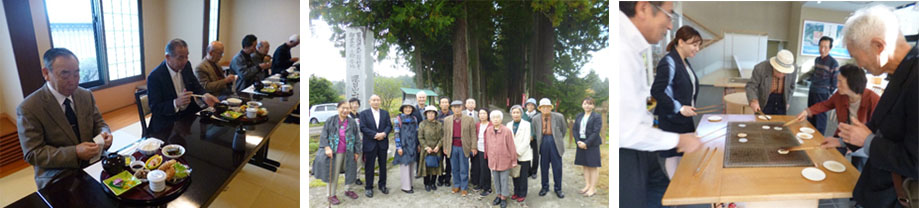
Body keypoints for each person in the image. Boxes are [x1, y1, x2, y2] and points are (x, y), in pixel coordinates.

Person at [618, 2, 703, 207]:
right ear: (644, 8)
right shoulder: (626, 52)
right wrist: (676, 109)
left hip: (652, 139)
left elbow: (647, 96)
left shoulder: (635, 50)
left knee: (661, 188)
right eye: (668, 15)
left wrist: (649, 114)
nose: (669, 26)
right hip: (638, 146)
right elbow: (657, 93)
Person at [837, 5, 918, 207]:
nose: (860, 66)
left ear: (878, 46)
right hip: (877, 190)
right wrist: (845, 141)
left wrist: (868, 141)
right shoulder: (902, 72)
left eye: (857, 57)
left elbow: (915, 161)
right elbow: (882, 128)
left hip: (897, 197)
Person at [17, 48, 114, 189]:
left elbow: (99, 123)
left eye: (76, 74)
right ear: (46, 73)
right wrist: (75, 152)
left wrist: (105, 134)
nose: (73, 81)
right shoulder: (29, 108)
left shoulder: (85, 95)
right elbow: (33, 153)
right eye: (65, 74)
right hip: (57, 172)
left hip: (94, 161)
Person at [793, 64, 879, 171]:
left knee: (858, 170)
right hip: (842, 137)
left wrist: (853, 145)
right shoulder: (840, 95)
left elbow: (877, 129)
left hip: (863, 143)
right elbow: (826, 104)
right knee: (833, 162)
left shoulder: (873, 100)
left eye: (840, 81)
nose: (836, 85)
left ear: (852, 83)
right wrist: (807, 111)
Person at [650, 25, 702, 178]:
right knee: (673, 154)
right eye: (694, 44)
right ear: (681, 42)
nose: (697, 49)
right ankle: (674, 187)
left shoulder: (684, 61)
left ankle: (680, 182)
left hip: (683, 117)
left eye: (699, 45)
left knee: (682, 151)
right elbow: (656, 91)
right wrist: (679, 108)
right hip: (671, 117)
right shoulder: (669, 62)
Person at [147, 39, 219, 132]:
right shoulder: (155, 77)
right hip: (168, 120)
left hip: (188, 114)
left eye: (187, 56)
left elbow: (196, 86)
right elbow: (155, 108)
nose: (185, 61)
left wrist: (205, 95)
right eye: (180, 57)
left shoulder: (186, 66)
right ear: (168, 57)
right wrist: (176, 102)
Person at [312, 101, 362, 205]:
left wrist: (357, 151)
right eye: (343, 108)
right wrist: (327, 147)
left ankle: (348, 189)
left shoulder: (352, 122)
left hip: (349, 151)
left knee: (350, 170)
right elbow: (324, 135)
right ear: (338, 108)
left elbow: (357, 137)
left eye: (348, 108)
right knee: (333, 174)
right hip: (335, 152)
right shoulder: (331, 120)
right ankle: (331, 194)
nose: (345, 110)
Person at [532, 98, 567, 198]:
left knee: (557, 167)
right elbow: (535, 131)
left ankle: (558, 188)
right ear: (540, 108)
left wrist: (557, 139)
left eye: (548, 107)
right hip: (543, 142)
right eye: (543, 107)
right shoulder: (535, 119)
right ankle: (544, 187)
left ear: (551, 108)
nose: (546, 108)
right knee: (544, 167)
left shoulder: (559, 117)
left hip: (555, 142)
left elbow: (563, 130)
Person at [359, 95, 393, 198]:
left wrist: (383, 134)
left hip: (383, 143)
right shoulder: (364, 114)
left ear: (380, 101)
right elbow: (363, 128)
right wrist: (375, 135)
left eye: (378, 100)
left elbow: (389, 126)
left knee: (383, 165)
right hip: (370, 143)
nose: (376, 102)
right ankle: (369, 187)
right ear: (370, 102)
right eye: (374, 100)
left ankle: (382, 185)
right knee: (369, 166)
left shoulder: (385, 113)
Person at [745, 49, 798, 115]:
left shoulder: (794, 68)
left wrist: (788, 102)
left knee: (780, 123)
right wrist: (753, 101)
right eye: (779, 71)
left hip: (782, 99)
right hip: (765, 99)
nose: (781, 75)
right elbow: (751, 86)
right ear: (774, 66)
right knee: (761, 122)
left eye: (784, 73)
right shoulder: (760, 68)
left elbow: (792, 86)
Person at [442, 100, 476, 196]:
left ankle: (464, 187)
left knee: (464, 167)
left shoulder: (469, 119)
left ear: (462, 108)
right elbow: (445, 134)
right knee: (454, 167)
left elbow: (473, 134)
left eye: (458, 107)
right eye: (454, 107)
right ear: (451, 108)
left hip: (464, 146)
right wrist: (445, 147)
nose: (456, 109)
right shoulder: (447, 120)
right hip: (452, 146)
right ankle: (457, 185)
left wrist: (473, 147)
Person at [807, 36, 840, 135]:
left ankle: (819, 138)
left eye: (825, 47)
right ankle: (808, 134)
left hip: (823, 93)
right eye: (821, 46)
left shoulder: (833, 63)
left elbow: (835, 82)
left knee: (820, 117)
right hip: (813, 90)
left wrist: (828, 92)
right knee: (811, 114)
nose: (822, 49)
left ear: (830, 48)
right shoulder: (817, 60)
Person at [484, 110, 517, 208]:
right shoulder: (489, 130)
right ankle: (498, 195)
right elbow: (488, 144)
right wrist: (487, 156)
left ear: (501, 119)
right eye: (493, 117)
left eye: (497, 117)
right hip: (493, 159)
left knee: (504, 180)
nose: (495, 119)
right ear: (491, 119)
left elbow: (511, 146)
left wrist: (514, 160)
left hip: (504, 160)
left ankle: (504, 197)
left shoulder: (506, 130)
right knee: (496, 179)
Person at [572, 97, 603, 197]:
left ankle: (593, 188)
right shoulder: (579, 116)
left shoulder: (596, 117)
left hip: (592, 144)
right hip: (580, 143)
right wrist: (578, 141)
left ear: (593, 106)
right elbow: (575, 130)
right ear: (582, 105)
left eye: (590, 104)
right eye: (585, 103)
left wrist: (587, 143)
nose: (587, 105)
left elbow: (596, 131)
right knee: (585, 165)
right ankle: (587, 185)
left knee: (592, 166)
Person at [392, 101, 420, 193]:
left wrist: (418, 144)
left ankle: (410, 184)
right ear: (402, 109)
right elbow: (396, 134)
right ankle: (405, 187)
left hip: (413, 145)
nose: (408, 109)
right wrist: (398, 147)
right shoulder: (398, 119)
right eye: (406, 107)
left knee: (412, 165)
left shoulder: (414, 118)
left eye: (410, 107)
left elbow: (417, 132)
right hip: (403, 146)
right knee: (405, 165)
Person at [507, 105, 532, 202]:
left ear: (521, 113)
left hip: (523, 154)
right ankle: (516, 192)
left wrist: (517, 152)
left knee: (523, 175)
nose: (516, 114)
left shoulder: (526, 124)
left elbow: (526, 140)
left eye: (518, 112)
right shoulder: (509, 124)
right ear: (511, 114)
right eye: (514, 112)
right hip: (511, 154)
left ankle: (522, 193)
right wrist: (511, 153)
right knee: (514, 174)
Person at [418, 106, 444, 192]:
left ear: (435, 114)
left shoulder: (439, 124)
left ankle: (433, 182)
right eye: (428, 112)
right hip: (426, 149)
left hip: (436, 149)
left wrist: (438, 146)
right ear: (426, 114)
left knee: (435, 166)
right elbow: (420, 137)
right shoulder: (422, 124)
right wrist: (426, 147)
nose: (430, 114)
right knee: (426, 167)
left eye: (432, 113)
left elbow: (442, 137)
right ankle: (426, 183)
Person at [470, 109, 493, 196]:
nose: (482, 115)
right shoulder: (477, 125)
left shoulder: (491, 125)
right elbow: (474, 136)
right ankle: (480, 184)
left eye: (484, 113)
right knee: (478, 168)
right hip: (478, 149)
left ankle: (487, 188)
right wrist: (474, 147)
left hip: (486, 150)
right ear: (478, 115)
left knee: (485, 169)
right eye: (480, 114)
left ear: (488, 115)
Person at [435, 97, 453, 187]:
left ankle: (447, 178)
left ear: (449, 104)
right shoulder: (436, 115)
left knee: (449, 161)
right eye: (443, 102)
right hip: (439, 142)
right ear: (440, 104)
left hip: (450, 141)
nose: (445, 104)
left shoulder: (453, 114)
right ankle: (440, 178)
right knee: (440, 160)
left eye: (446, 102)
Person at [348, 98, 364, 185]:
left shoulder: (360, 115)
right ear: (349, 104)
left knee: (358, 161)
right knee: (350, 161)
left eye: (356, 103)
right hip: (350, 143)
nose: (355, 105)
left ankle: (357, 177)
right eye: (353, 103)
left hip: (360, 141)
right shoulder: (347, 116)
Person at [523, 98, 540, 179]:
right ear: (526, 106)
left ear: (535, 106)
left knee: (535, 155)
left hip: (535, 138)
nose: (530, 106)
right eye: (528, 104)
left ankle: (534, 171)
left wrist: (532, 135)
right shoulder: (523, 115)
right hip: (525, 137)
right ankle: (528, 171)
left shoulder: (538, 115)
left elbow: (538, 127)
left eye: (532, 105)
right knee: (526, 154)